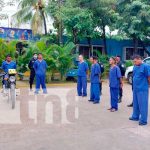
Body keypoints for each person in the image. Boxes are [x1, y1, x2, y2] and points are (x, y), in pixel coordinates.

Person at [129, 55, 150, 126]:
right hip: (136, 88)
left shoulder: (146, 66)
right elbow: (134, 76)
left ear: (140, 59)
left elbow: (148, 77)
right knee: (136, 103)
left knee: (143, 104)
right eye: (133, 62)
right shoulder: (135, 66)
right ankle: (135, 116)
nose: (134, 63)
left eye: (135, 61)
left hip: (142, 89)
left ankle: (143, 120)